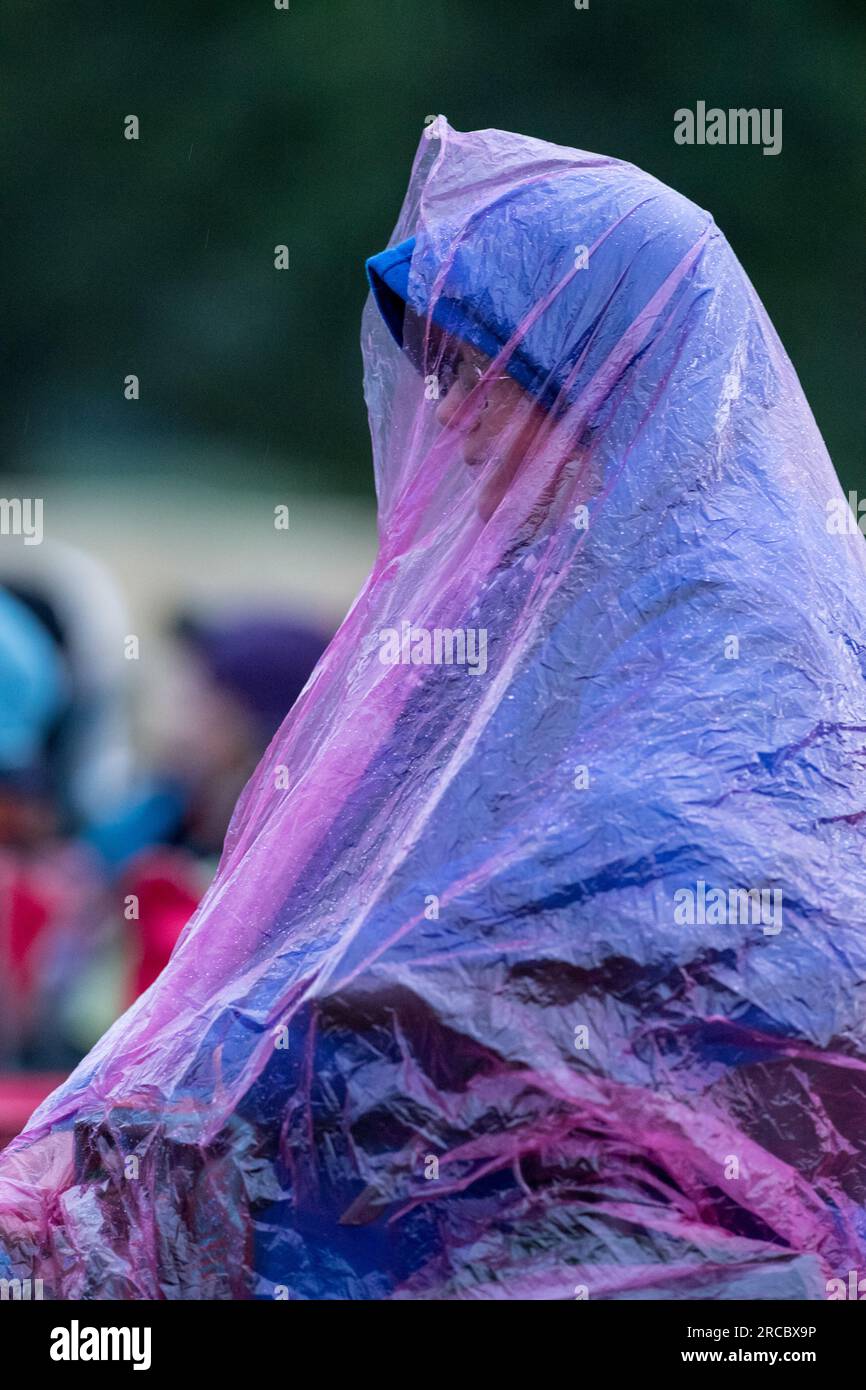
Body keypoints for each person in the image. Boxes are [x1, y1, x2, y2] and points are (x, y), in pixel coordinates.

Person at [2, 120, 865, 1300]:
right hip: (461, 1185)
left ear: (589, 366)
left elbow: (667, 879)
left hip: (656, 1221)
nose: (446, 416)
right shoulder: (529, 602)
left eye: (475, 369)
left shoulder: (726, 606)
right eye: (437, 375)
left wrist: (323, 1000)